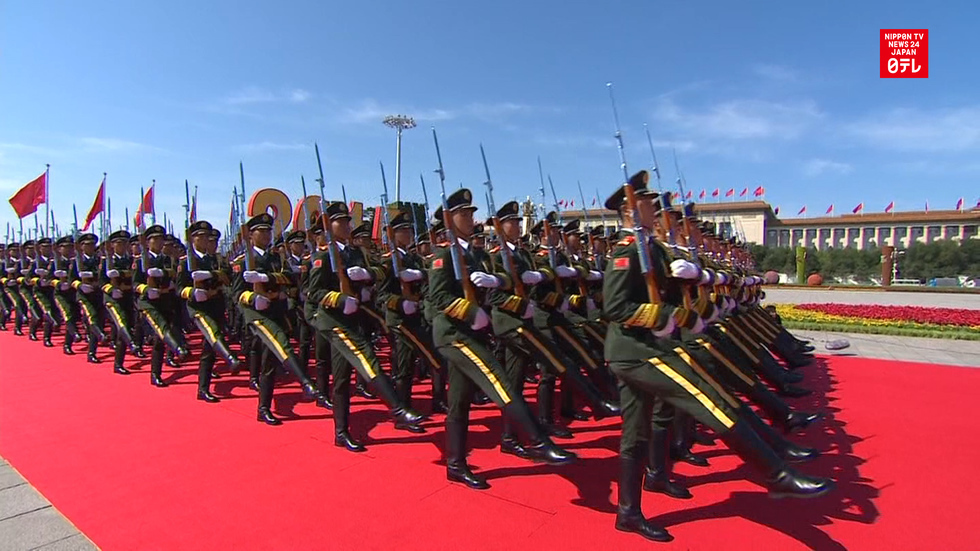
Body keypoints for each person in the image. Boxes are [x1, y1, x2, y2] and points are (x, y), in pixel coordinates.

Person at [602, 171, 834, 543]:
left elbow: (671, 298)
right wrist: (665, 318)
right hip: (634, 353)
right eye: (646, 204)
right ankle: (776, 474)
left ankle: (628, 512)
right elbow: (615, 307)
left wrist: (691, 292)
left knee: (636, 432)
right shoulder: (627, 251)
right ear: (630, 213)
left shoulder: (653, 249)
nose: (655, 211)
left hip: (646, 349)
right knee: (708, 396)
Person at [427, 189, 576, 490]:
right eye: (464, 214)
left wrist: (497, 283)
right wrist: (470, 312)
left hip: (474, 331)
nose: (470, 218)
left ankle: (455, 464)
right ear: (449, 219)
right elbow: (438, 297)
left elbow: (506, 281)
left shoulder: (479, 255)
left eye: (471, 213)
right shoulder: (444, 256)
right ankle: (537, 439)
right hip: (453, 334)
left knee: (459, 401)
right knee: (500, 380)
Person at [306, 203, 424, 451]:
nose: (348, 225)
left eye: (349, 221)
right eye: (342, 221)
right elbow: (314, 292)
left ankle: (341, 431)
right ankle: (398, 408)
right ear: (329, 225)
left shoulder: (355, 253)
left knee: (340, 380)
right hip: (334, 321)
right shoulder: (322, 256)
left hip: (354, 319)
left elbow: (378, 272)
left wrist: (366, 276)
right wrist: (339, 299)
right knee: (366, 357)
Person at [231, 213, 325, 425]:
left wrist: (266, 279)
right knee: (281, 344)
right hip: (256, 315)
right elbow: (235, 294)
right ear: (251, 235)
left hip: (277, 311)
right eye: (261, 231)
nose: (266, 235)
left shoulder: (276, 258)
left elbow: (289, 278)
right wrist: (253, 296)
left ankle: (263, 408)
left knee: (269, 361)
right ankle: (305, 382)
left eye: (268, 231)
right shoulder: (243, 261)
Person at [177, 220, 241, 402]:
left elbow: (228, 277)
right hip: (198, 308)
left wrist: (213, 277)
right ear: (193, 239)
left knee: (209, 349)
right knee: (213, 334)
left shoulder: (216, 260)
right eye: (201, 237)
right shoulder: (187, 261)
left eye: (207, 237)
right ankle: (230, 358)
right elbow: (179, 288)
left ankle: (203, 388)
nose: (205, 240)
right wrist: (192, 292)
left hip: (216, 305)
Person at [133, 225, 189, 386]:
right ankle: (178, 350)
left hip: (165, 300)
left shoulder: (168, 259)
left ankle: (156, 372)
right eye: (154, 239)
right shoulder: (140, 260)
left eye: (160, 239)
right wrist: (146, 289)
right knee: (161, 328)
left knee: (160, 339)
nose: (158, 242)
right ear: (148, 242)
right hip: (148, 302)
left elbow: (173, 274)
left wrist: (166, 279)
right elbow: (135, 283)